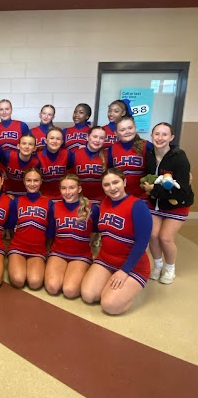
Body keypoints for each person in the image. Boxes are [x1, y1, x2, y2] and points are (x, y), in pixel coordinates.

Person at [81, 168, 152, 315]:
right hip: (106, 260)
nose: (112, 188)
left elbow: (142, 242)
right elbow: (96, 228)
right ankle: (112, 286)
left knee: (109, 305)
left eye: (115, 182)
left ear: (124, 182)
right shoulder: (104, 203)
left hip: (133, 266)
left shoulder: (138, 206)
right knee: (88, 296)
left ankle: (128, 293)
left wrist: (124, 271)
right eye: (107, 185)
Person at [143, 122, 194, 284]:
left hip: (177, 203)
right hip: (155, 203)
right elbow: (149, 177)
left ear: (171, 137)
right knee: (152, 235)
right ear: (151, 136)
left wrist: (153, 190)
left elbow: (182, 189)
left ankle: (170, 269)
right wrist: (149, 189)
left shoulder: (179, 157)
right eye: (157, 134)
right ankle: (157, 266)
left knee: (165, 237)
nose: (160, 138)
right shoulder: (149, 155)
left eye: (165, 134)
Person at [45, 174, 98, 297]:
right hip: (58, 252)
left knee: (70, 291)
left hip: (81, 255)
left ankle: (82, 270)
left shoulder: (92, 208)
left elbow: (95, 231)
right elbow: (51, 233)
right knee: (53, 287)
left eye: (71, 188)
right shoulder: (55, 206)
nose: (67, 192)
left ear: (79, 189)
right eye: (63, 188)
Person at [7, 168, 54, 289]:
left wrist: (47, 248)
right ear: (24, 181)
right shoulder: (17, 201)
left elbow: (50, 231)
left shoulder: (49, 203)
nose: (32, 184)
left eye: (36, 180)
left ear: (41, 181)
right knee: (18, 280)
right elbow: (11, 227)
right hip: (18, 247)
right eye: (29, 180)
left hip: (38, 249)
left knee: (35, 283)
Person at [108, 116, 152, 198]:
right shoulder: (112, 148)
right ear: (116, 133)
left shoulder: (146, 145)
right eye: (122, 130)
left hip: (143, 196)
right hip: (120, 196)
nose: (127, 131)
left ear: (135, 128)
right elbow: (109, 171)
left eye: (130, 128)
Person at [68, 126, 107, 204]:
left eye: (101, 138)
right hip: (78, 200)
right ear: (87, 137)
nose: (97, 140)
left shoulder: (107, 156)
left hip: (100, 201)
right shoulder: (74, 154)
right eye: (95, 136)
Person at [38, 126, 71, 201]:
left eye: (58, 139)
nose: (55, 141)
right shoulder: (38, 156)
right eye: (52, 138)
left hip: (64, 197)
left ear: (62, 142)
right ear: (46, 140)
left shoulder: (68, 154)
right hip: (43, 197)